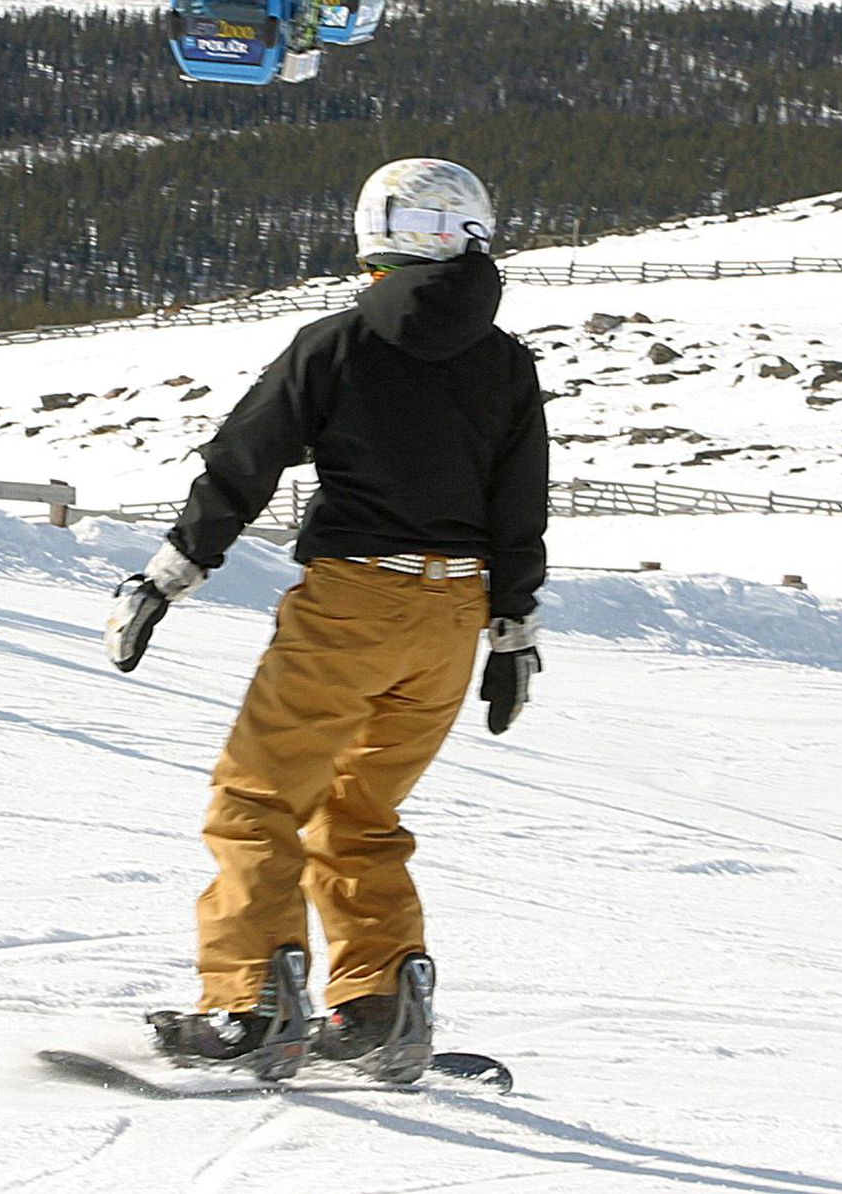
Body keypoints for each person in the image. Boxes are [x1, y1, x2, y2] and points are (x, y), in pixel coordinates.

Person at [104, 158, 548, 1082]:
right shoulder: (506, 363)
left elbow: (244, 459)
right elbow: (520, 508)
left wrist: (168, 575)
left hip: (354, 599)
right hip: (452, 616)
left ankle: (250, 1008)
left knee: (258, 801)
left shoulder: (340, 342)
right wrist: (511, 633)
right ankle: (380, 1004)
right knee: (360, 809)